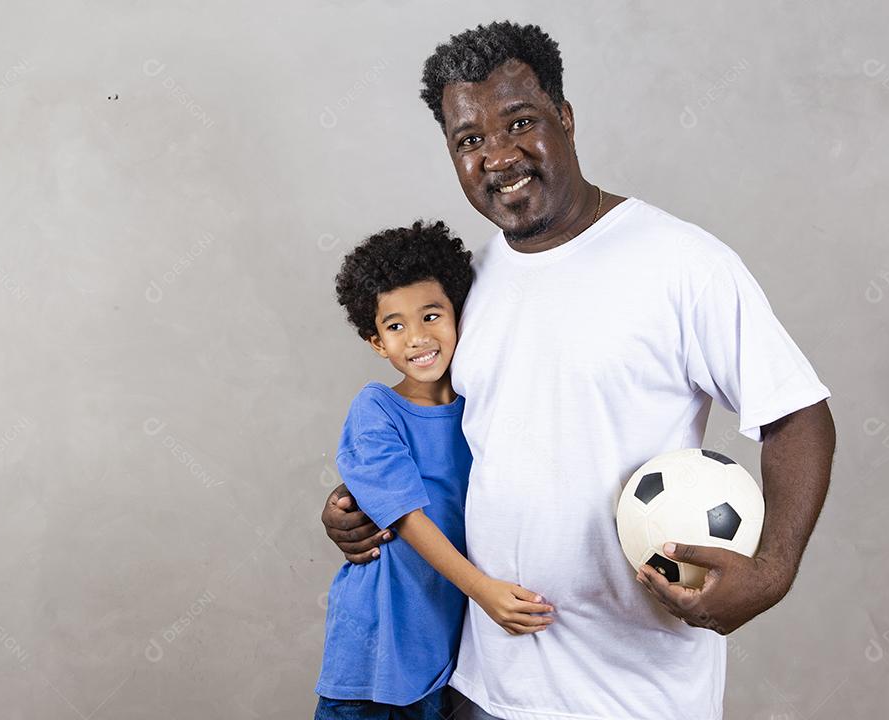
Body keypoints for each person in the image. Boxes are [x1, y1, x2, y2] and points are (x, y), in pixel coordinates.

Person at [320, 21, 837, 720]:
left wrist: (771, 574)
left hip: (632, 693)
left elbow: (798, 415)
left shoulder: (682, 263)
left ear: (564, 118)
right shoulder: (468, 285)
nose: (498, 157)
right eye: (469, 140)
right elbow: (439, 441)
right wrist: (360, 511)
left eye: (520, 122)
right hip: (482, 683)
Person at [314, 220, 555, 720]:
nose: (418, 337)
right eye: (396, 326)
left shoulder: (481, 409)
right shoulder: (376, 409)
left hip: (443, 654)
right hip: (374, 654)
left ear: (459, 315)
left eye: (431, 315)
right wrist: (484, 591)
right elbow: (404, 516)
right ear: (377, 342)